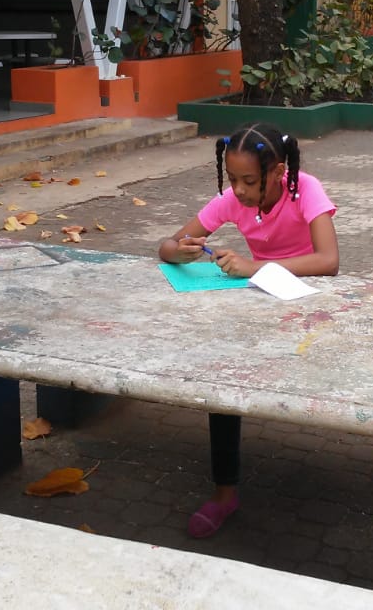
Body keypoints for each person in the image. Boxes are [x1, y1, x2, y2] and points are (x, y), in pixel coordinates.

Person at [157, 121, 339, 538]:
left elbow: (329, 261)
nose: (237, 190)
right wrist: (179, 249)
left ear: (277, 172)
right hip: (262, 302)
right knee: (224, 374)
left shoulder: (304, 189)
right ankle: (225, 493)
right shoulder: (233, 198)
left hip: (314, 304)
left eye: (248, 181)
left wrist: (255, 266)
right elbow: (167, 245)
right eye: (232, 178)